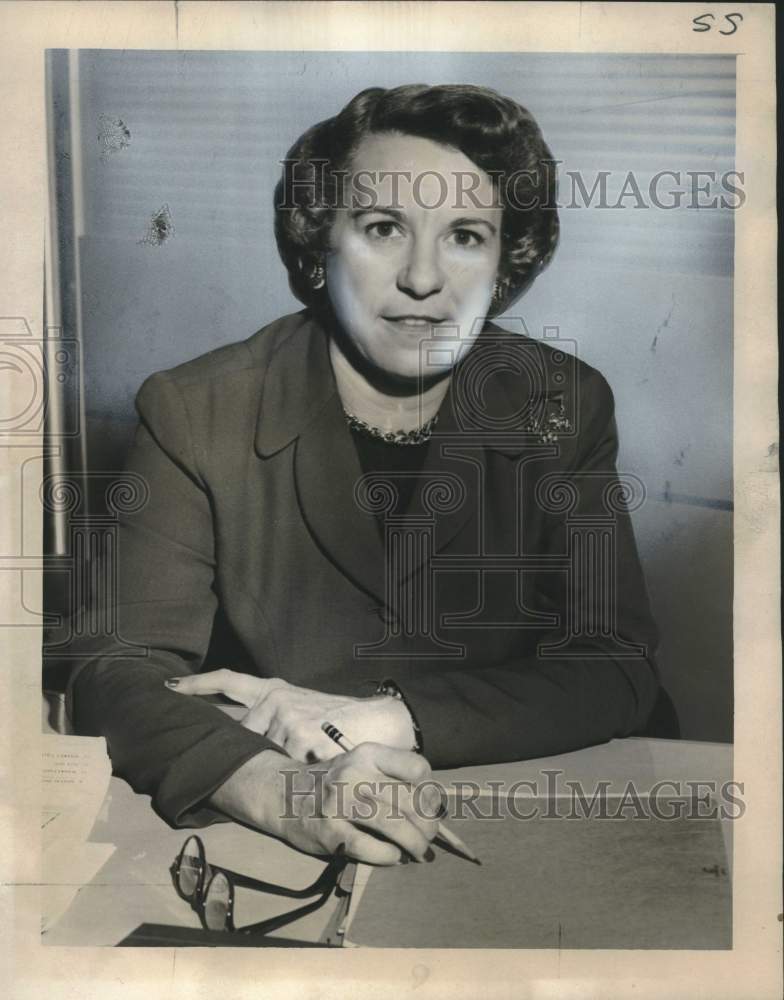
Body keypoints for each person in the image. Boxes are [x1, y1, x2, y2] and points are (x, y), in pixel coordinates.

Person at [67, 84, 660, 866]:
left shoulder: (563, 402)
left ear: (504, 260)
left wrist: (381, 718)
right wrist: (283, 792)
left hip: (530, 800)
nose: (423, 278)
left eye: (466, 236)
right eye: (384, 228)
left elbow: (614, 661)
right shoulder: (194, 408)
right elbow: (117, 670)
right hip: (296, 818)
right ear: (319, 245)